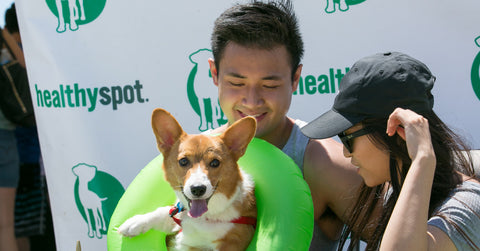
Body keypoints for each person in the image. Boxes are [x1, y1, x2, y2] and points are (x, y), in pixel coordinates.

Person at [207, 1, 362, 249]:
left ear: (295, 79)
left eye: (269, 86)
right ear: (214, 73)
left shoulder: (323, 163)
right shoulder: (190, 157)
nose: (251, 101)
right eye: (236, 83)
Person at [301, 51, 480, 250]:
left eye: (348, 138)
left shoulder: (466, 206)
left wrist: (422, 158)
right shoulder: (397, 192)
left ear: (398, 131)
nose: (345, 153)